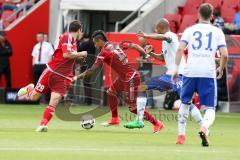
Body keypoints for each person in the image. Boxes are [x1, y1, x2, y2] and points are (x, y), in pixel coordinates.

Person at [124, 19, 203, 143]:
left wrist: (146, 36)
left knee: (186, 102)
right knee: (141, 88)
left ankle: (203, 126)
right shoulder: (165, 43)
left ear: (162, 28)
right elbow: (163, 58)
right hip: (168, 76)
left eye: (157, 28)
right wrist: (152, 54)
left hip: (180, 75)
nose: (156, 30)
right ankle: (139, 120)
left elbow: (163, 37)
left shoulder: (171, 36)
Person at [74, 30, 164, 133]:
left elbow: (91, 71)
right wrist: (146, 55)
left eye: (95, 42)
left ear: (99, 41)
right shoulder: (117, 44)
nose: (94, 45)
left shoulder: (104, 52)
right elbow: (135, 46)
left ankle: (157, 123)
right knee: (110, 93)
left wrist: (76, 78)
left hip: (131, 78)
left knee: (132, 108)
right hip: (123, 77)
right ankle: (114, 119)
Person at [173, 3, 228, 147]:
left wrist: (175, 68)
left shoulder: (190, 30)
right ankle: (204, 127)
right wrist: (221, 69)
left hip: (190, 72)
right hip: (207, 73)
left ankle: (181, 137)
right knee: (210, 108)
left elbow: (180, 49)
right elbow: (225, 55)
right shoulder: (217, 32)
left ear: (198, 14)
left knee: (185, 103)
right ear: (212, 16)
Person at [17, 20, 88, 132]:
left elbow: (68, 56)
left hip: (63, 77)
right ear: (79, 30)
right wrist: (82, 53)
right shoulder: (66, 37)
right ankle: (30, 88)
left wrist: (79, 58)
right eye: (81, 30)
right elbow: (66, 55)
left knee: (54, 100)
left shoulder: (73, 41)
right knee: (34, 97)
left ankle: (43, 125)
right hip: (52, 71)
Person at [77, 33, 96, 105]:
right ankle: (87, 100)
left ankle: (88, 101)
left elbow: (78, 49)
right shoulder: (89, 43)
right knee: (86, 83)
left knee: (86, 83)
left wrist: (78, 40)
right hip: (86, 65)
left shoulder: (87, 43)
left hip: (88, 66)